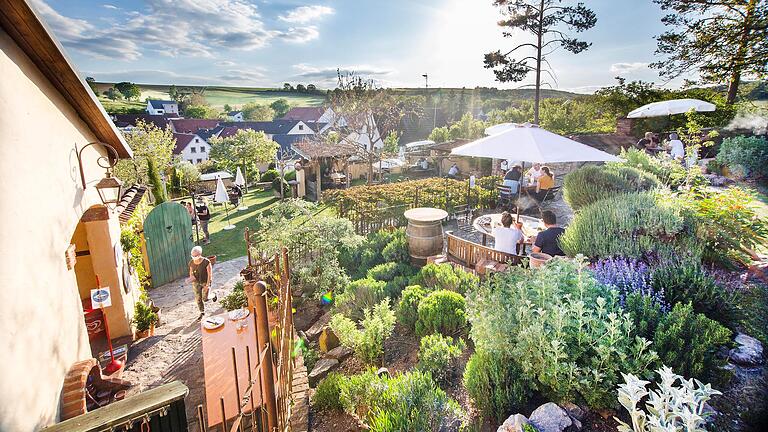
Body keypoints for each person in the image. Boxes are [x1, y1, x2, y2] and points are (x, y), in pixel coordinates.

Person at [188, 246, 215, 319]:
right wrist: (191, 279)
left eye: (195, 256)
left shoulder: (206, 262)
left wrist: (208, 284)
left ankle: (213, 295)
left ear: (200, 254)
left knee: (205, 298)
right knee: (198, 298)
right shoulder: (191, 262)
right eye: (192, 256)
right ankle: (202, 312)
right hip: (196, 282)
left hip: (205, 281)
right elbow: (191, 273)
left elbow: (210, 274)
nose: (194, 257)